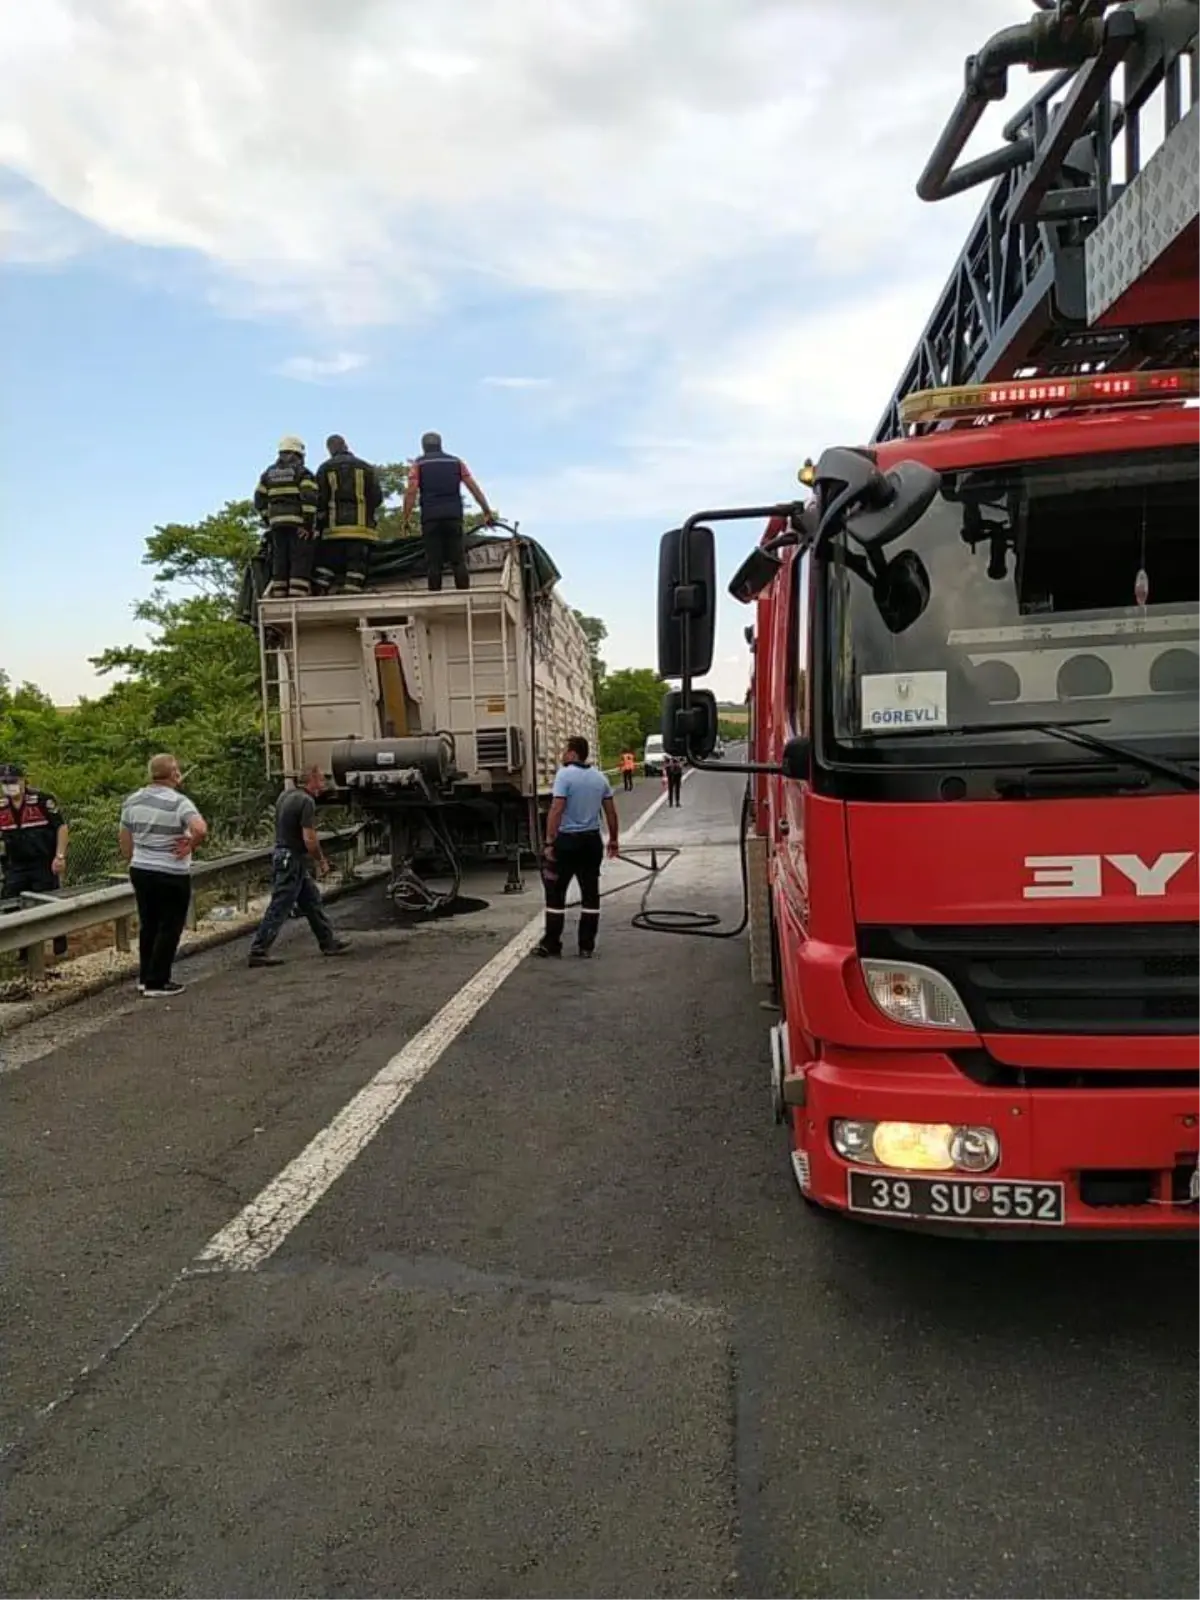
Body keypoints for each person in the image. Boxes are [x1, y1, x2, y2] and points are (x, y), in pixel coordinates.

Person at [118, 753, 208, 998]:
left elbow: (125, 839)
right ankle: (158, 981)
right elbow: (200, 828)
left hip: (141, 869)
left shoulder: (132, 801)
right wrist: (190, 845)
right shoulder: (179, 802)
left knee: (149, 925)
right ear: (174, 774)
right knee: (170, 926)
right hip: (171, 870)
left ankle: (145, 977)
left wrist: (134, 859)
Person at [247, 765, 351, 967]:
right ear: (311, 780)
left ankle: (328, 942)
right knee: (280, 905)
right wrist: (321, 860)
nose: (323, 785)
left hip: (284, 855)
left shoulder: (285, 796)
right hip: (292, 859)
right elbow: (309, 838)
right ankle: (258, 950)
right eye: (321, 780)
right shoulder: (306, 802)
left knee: (312, 901)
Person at [536, 736, 619, 960]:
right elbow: (610, 812)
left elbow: (556, 809)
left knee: (556, 892)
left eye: (565, 751)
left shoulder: (565, 775)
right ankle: (586, 946)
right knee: (590, 894)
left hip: (568, 841)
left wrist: (549, 841)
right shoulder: (600, 778)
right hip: (592, 842)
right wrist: (613, 840)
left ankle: (552, 943)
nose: (562, 755)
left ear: (573, 754)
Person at [401, 431, 496, 592]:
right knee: (458, 560)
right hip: (453, 516)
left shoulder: (418, 464)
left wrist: (406, 518)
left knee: (433, 562)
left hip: (430, 518)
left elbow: (411, 491)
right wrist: (486, 510)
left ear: (423, 447)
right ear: (440, 444)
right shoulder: (456, 462)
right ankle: (465, 595)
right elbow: (473, 487)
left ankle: (435, 598)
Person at [0, 762, 69, 957]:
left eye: (13, 781)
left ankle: (59, 944)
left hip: (43, 862)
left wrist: (60, 856)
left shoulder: (41, 800)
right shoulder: (2, 807)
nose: (9, 785)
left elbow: (61, 828)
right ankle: (25, 950)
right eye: (4, 782)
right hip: (15, 866)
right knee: (13, 904)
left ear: (23, 781)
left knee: (49, 903)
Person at [313, 434, 383, 595]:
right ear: (345, 445)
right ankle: (352, 590)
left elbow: (319, 500)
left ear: (330, 450)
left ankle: (320, 589)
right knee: (356, 564)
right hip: (361, 530)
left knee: (329, 562)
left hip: (333, 530)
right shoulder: (366, 467)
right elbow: (377, 497)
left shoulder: (324, 468)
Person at [254, 435, 320, 598]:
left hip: (277, 524)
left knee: (279, 558)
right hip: (297, 524)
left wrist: (268, 520)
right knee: (299, 558)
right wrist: (307, 525)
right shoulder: (303, 473)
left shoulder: (268, 474)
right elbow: (309, 499)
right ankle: (297, 594)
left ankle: (279, 592)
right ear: (297, 454)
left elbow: (259, 499)